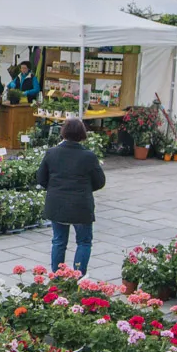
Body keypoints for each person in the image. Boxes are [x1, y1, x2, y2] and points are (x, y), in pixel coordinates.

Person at [37, 117, 105, 276]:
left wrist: (54, 188)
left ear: (64, 132)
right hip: (81, 205)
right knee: (84, 242)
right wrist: (85, 189)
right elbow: (100, 181)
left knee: (59, 241)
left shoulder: (51, 153)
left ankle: (57, 276)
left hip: (57, 203)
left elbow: (41, 178)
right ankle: (78, 275)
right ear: (82, 134)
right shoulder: (88, 156)